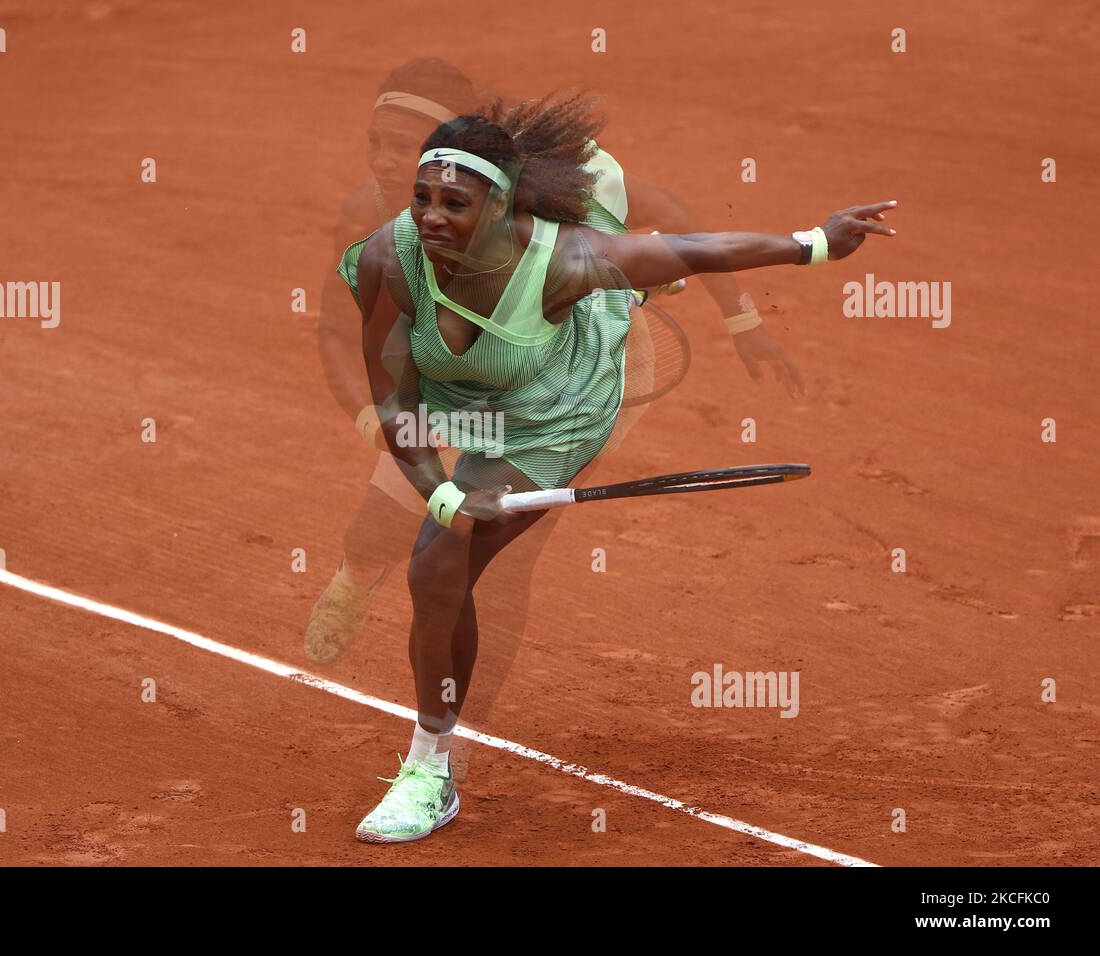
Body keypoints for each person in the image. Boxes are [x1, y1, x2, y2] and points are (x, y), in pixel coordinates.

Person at [333, 89, 897, 843]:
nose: (431, 215)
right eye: (423, 197)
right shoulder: (390, 257)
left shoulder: (569, 259)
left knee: (435, 570)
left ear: (500, 209)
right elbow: (394, 394)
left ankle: (429, 774)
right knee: (442, 524)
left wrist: (816, 243)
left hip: (555, 404)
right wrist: (438, 491)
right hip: (462, 393)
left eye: (456, 203)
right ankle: (626, 294)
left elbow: (704, 247)